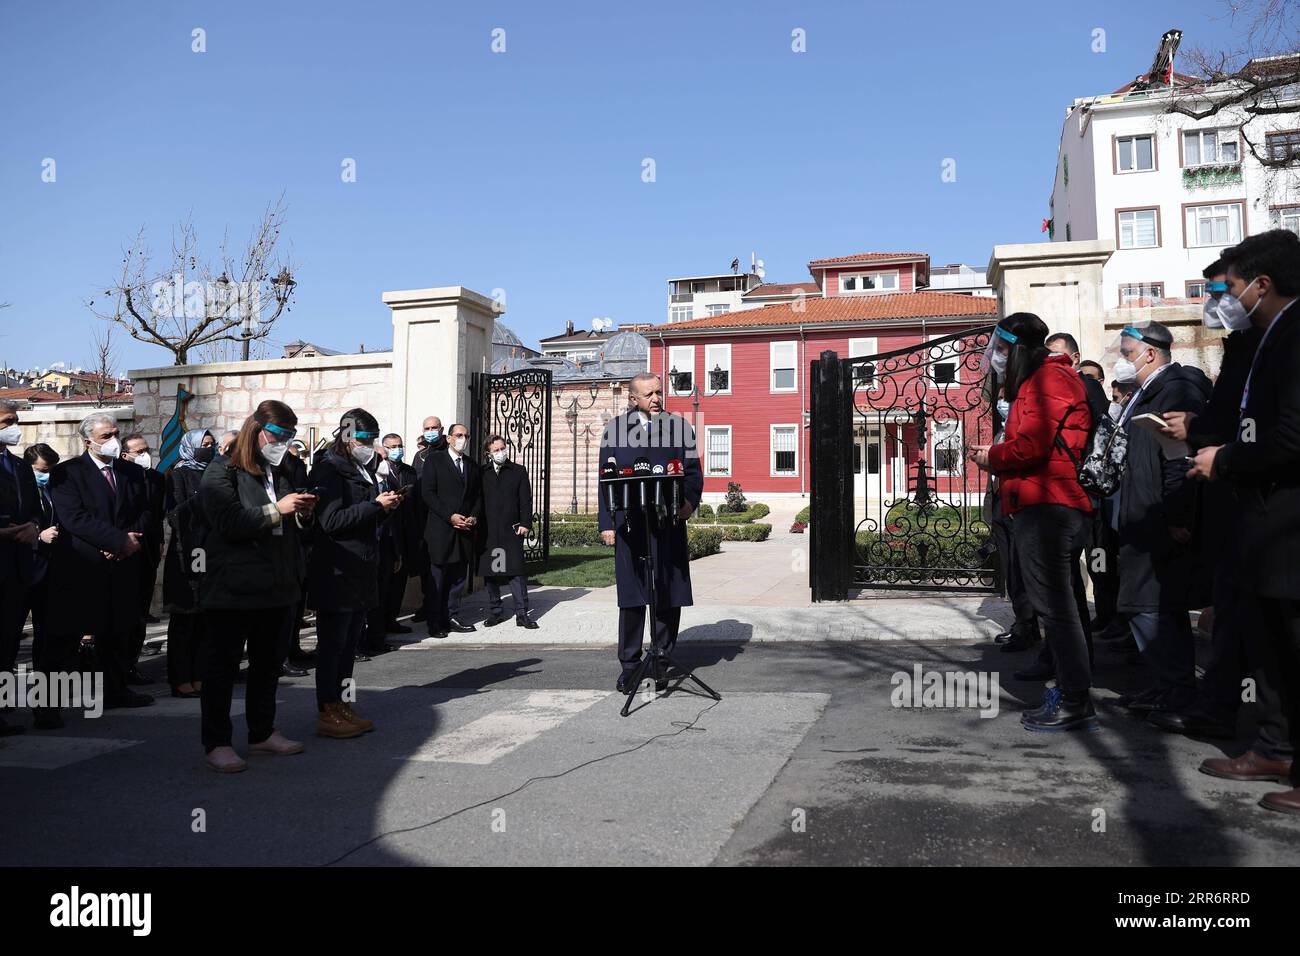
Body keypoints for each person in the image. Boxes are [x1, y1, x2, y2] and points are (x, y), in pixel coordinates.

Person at [1186, 230, 1300, 813]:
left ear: (1262, 283)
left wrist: (1223, 457)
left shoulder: (1294, 335)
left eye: (1228, 286)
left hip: (1287, 518)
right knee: (1272, 642)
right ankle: (1276, 746)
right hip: (1264, 517)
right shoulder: (1261, 336)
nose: (1223, 297)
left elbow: (1290, 435)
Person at [1151, 256, 1264, 739]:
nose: (1213, 302)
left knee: (1261, 623)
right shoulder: (1243, 343)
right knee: (1235, 614)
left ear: (1261, 285)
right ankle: (1226, 712)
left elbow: (1267, 428)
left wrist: (1199, 433)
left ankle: (1256, 726)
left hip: (1261, 505)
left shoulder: (1276, 342)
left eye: (1222, 290)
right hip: (1235, 504)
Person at [969, 313, 1095, 732]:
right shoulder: (1036, 382)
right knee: (1057, 607)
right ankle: (1068, 691)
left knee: (1057, 610)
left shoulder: (1049, 381)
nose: (998, 357)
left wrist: (993, 457)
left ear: (1019, 347)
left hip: (1049, 507)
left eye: (1002, 349)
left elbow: (1033, 446)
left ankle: (1075, 700)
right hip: (1039, 504)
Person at [198, 401, 314, 772]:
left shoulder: (276, 472)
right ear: (257, 430)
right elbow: (229, 523)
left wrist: (301, 513)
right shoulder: (221, 472)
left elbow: (287, 522)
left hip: (277, 585)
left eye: (289, 436)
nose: (283, 443)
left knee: (267, 665)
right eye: (279, 435)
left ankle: (261, 733)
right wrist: (275, 510)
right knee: (223, 668)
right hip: (234, 587)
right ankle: (216, 742)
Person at [1110, 321, 1211, 718]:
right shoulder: (1146, 391)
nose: (1122, 361)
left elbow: (1178, 458)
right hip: (1143, 512)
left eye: (1127, 353)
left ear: (1150, 353)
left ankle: (1176, 690)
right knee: (1150, 604)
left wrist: (1177, 515)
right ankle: (1164, 686)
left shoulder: (1175, 389)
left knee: (1149, 605)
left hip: (1158, 517)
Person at [37, 413, 154, 727]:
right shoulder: (67, 473)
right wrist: (115, 541)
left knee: (118, 631)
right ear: (87, 440)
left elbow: (143, 510)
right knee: (63, 638)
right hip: (80, 564)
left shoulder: (131, 472)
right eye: (105, 436)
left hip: (121, 563)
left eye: (115, 433)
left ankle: (115, 689)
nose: (113, 440)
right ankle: (48, 706)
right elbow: (74, 518)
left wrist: (127, 541)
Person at [598, 372, 703, 693]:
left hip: (668, 525)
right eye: (649, 394)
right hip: (631, 528)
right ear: (633, 399)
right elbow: (605, 479)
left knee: (668, 596)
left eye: (659, 392)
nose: (657, 398)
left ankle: (662, 661)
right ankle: (630, 665)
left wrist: (688, 503)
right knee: (632, 598)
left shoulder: (679, 427)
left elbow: (693, 472)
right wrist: (606, 523)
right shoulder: (614, 430)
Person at [306, 408, 402, 737]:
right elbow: (331, 521)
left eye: (372, 439)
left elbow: (364, 518)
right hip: (337, 569)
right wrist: (376, 506)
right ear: (347, 437)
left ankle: (344, 704)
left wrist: (385, 508)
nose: (369, 445)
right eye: (364, 439)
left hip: (361, 567)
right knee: (332, 645)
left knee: (350, 647)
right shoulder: (328, 470)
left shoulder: (362, 468)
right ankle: (327, 708)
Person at [162, 429, 214, 698]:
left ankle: (200, 674)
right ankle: (181, 677)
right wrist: (202, 499)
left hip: (212, 549)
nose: (209, 448)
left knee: (205, 617)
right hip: (189, 550)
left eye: (211, 444)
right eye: (204, 445)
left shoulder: (214, 471)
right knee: (186, 616)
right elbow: (175, 514)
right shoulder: (179, 474)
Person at [0, 401, 41, 736]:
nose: (13, 426)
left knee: (8, 639)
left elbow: (35, 509)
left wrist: (33, 527)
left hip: (17, 565)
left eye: (14, 420)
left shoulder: (19, 466)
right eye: (6, 421)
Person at [420, 422, 481, 638]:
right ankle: (435, 622)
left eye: (465, 435)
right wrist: (450, 516)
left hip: (464, 531)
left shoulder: (472, 465)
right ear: (448, 438)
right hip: (441, 530)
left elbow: (476, 496)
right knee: (438, 578)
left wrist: (473, 516)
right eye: (458, 435)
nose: (462, 439)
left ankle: (453, 615)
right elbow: (428, 493)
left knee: (457, 579)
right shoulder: (434, 461)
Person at [478, 435, 538, 629]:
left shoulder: (518, 471)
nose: (500, 452)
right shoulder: (482, 473)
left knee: (515, 572)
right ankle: (496, 612)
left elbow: (525, 500)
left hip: (511, 530)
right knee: (492, 573)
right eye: (496, 450)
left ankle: (522, 614)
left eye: (502, 448)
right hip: (488, 532)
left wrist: (525, 523)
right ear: (488, 453)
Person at [120, 432, 165, 681]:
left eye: (147, 449)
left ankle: (131, 662)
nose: (145, 455)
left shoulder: (156, 479)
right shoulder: (119, 478)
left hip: (148, 550)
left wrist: (158, 541)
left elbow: (157, 515)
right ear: (125, 455)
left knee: (140, 610)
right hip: (123, 548)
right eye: (139, 451)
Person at [379, 432, 420, 634]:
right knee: (385, 581)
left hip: (406, 532)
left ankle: (391, 619)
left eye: (399, 445)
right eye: (392, 446)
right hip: (387, 531)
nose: (397, 450)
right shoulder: (380, 471)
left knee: (399, 580)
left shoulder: (409, 471)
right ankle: (379, 623)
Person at [411, 415, 446, 625]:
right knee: (425, 565)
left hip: (442, 517)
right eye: (427, 428)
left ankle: (442, 605)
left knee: (442, 565)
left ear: (441, 430)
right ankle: (427, 603)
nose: (431, 431)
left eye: (434, 427)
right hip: (422, 518)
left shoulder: (447, 453)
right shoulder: (420, 455)